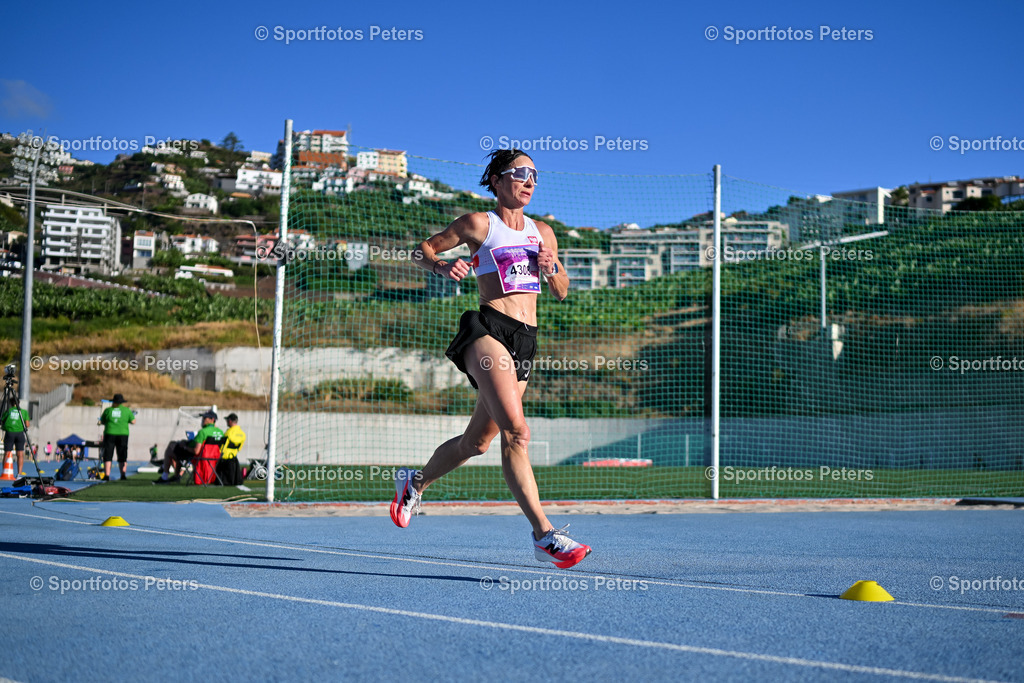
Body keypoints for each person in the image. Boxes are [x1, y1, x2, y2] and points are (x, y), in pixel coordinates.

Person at [391, 149, 591, 569]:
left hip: (526, 340)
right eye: (519, 173)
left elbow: (562, 291)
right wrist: (441, 267)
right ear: (497, 181)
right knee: (517, 433)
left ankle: (415, 483)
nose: (528, 180)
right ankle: (544, 535)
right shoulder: (480, 224)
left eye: (534, 174)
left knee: (477, 443)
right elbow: (421, 250)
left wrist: (551, 267)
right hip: (487, 330)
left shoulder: (544, 232)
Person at [155, 411, 223, 483]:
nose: (203, 419)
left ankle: (165, 476)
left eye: (205, 417)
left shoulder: (203, 432)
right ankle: (175, 474)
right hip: (214, 457)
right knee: (176, 447)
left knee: (172, 448)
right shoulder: (220, 432)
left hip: (200, 456)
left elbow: (196, 451)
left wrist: (184, 447)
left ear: (212, 419)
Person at [98, 393, 135, 481]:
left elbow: (102, 421)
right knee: (122, 454)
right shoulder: (127, 410)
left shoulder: (108, 410)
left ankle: (107, 475)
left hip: (110, 433)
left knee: (108, 454)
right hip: (123, 434)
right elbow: (133, 421)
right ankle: (123, 475)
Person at [2, 401, 31, 476]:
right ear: (19, 403)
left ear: (11, 403)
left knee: (7, 452)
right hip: (20, 433)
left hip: (9, 433)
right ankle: (19, 473)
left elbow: (2, 421)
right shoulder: (23, 412)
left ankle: (5, 471)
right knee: (20, 454)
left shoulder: (8, 411)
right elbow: (27, 424)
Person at [218, 413, 247, 485]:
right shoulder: (242, 434)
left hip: (224, 458)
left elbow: (223, 446)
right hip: (234, 457)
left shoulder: (229, 432)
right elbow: (239, 448)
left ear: (230, 421)